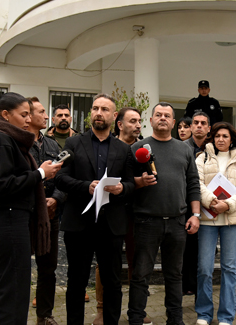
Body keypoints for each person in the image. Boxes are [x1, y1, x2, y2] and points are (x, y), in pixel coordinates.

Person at [0, 92, 63, 325]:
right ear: (5, 115)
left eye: (29, 115)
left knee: (7, 287)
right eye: (23, 115)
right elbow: (2, 185)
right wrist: (41, 173)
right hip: (6, 220)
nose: (28, 120)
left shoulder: (4, 139)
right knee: (11, 290)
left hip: (9, 220)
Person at [56, 94, 135, 325]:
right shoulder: (73, 143)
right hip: (79, 223)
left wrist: (122, 188)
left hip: (111, 225)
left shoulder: (123, 149)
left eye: (104, 109)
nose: (98, 113)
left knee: (112, 281)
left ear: (114, 116)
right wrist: (85, 186)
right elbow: (60, 178)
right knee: (76, 281)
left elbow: (132, 185)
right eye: (95, 108)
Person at [128, 102, 201, 325]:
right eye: (158, 115)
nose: (162, 118)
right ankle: (136, 318)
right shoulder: (137, 149)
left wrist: (195, 215)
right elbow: (126, 184)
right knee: (140, 275)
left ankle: (175, 319)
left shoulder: (185, 149)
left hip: (178, 222)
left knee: (174, 275)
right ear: (150, 121)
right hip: (146, 222)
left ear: (173, 121)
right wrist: (139, 182)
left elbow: (193, 183)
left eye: (167, 115)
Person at [92, 107, 152, 325]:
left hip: (139, 212)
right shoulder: (106, 147)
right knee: (104, 264)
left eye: (139, 121)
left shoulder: (144, 148)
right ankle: (101, 309)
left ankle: (137, 309)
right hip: (111, 211)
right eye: (133, 121)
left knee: (136, 261)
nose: (138, 125)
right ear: (120, 124)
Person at [195, 122, 236, 325]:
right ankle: (203, 314)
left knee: (229, 268)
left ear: (232, 139)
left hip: (231, 220)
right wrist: (210, 201)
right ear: (212, 138)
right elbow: (196, 183)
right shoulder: (202, 158)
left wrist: (227, 205)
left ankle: (226, 316)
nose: (221, 139)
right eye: (217, 135)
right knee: (204, 268)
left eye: (225, 136)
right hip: (207, 220)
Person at [26, 97, 67, 325]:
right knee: (20, 268)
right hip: (25, 216)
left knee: (48, 269)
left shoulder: (52, 145)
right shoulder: (18, 143)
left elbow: (63, 177)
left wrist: (57, 199)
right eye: (41, 112)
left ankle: (45, 315)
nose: (46, 116)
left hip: (50, 217)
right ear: (28, 115)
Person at [182, 111, 210, 296]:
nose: (199, 126)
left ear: (209, 128)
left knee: (205, 250)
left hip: (210, 206)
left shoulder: (215, 149)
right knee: (187, 248)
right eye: (196, 123)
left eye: (203, 123)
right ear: (191, 127)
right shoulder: (180, 147)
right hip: (185, 205)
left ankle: (202, 288)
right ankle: (187, 285)